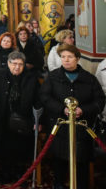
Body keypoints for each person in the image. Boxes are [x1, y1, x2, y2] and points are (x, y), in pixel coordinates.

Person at [40, 44, 105, 189]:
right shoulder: (53, 77)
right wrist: (61, 109)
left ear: (77, 59)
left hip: (83, 128)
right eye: (63, 57)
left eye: (69, 57)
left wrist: (83, 110)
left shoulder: (89, 78)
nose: (66, 60)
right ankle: (59, 184)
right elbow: (45, 97)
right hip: (60, 127)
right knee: (59, 161)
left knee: (81, 161)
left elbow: (100, 101)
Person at [0, 51, 41, 183]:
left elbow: (38, 101)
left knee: (21, 148)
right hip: (3, 119)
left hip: (24, 120)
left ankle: (20, 174)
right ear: (8, 63)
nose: (17, 67)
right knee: (3, 147)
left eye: (20, 64)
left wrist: (38, 121)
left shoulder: (31, 78)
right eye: (14, 63)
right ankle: (5, 172)